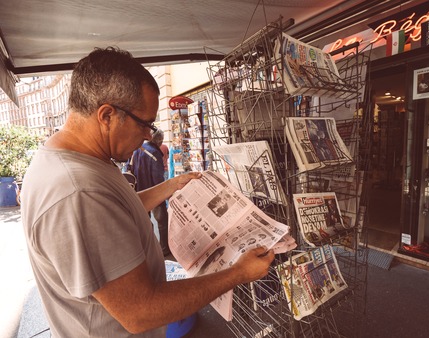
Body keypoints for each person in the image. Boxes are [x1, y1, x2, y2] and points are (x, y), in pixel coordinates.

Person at [20, 47, 274, 337]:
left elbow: (117, 212)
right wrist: (237, 274)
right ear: (107, 115)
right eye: (145, 124)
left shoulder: (80, 159)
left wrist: (171, 186)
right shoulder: (80, 193)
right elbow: (141, 311)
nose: (147, 136)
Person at [131, 129, 170, 256]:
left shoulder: (138, 149)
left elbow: (130, 168)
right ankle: (164, 248)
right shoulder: (155, 153)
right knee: (162, 221)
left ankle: (149, 248)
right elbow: (157, 178)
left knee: (145, 222)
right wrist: (165, 193)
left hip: (139, 191)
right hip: (154, 192)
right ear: (159, 140)